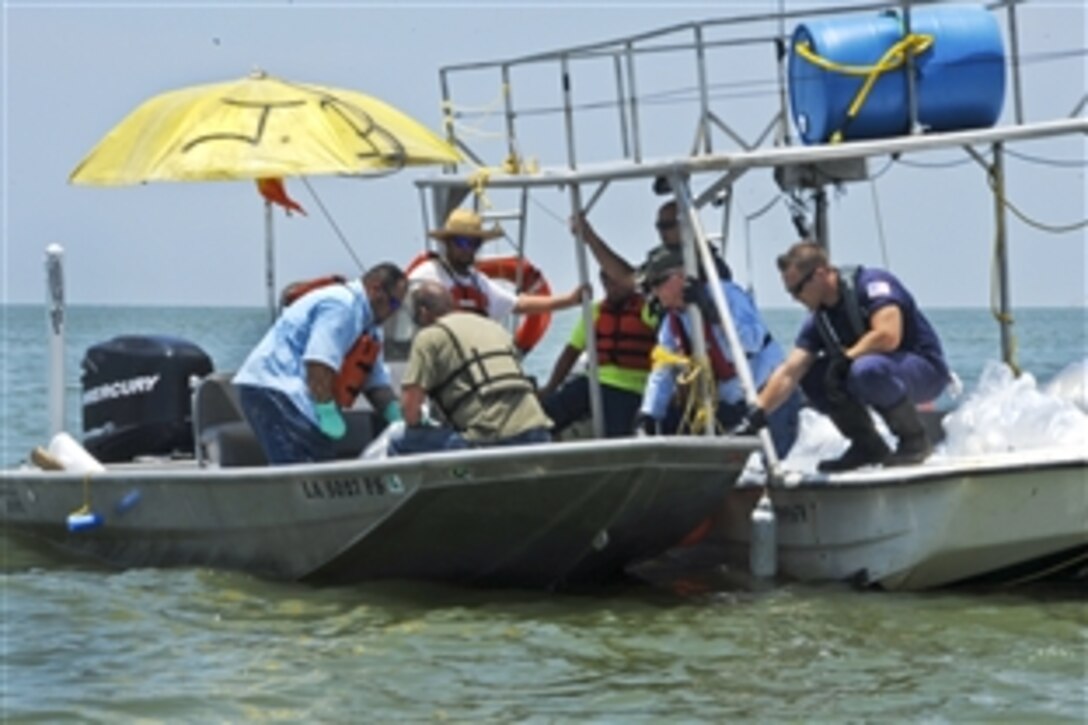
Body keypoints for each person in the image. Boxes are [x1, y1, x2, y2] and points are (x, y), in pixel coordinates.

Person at [736, 241, 951, 471]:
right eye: (790, 292)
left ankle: (915, 442)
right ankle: (867, 445)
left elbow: (889, 335)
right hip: (877, 373)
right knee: (814, 375)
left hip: (924, 371)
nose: (794, 298)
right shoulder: (819, 319)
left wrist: (846, 359)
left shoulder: (872, 284)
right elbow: (791, 371)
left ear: (820, 274)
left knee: (864, 369)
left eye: (797, 289)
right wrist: (757, 413)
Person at [635, 246, 801, 459]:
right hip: (730, 406)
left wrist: (714, 314)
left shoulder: (726, 295)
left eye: (657, 283)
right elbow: (663, 370)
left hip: (769, 398)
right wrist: (648, 414)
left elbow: (752, 341)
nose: (655, 293)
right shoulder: (672, 323)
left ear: (680, 278)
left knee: (771, 464)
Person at [233, 263, 407, 464]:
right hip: (274, 388)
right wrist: (326, 409)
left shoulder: (371, 327)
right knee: (301, 465)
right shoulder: (342, 305)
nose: (393, 313)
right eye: (393, 304)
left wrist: (399, 417)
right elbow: (319, 361)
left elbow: (375, 381)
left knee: (320, 455)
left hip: (303, 397)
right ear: (376, 289)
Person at [388, 281, 553, 455]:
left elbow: (410, 408)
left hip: (488, 442)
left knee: (399, 440)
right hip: (540, 433)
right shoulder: (494, 328)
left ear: (422, 313)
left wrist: (417, 425)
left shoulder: (429, 336)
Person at [539, 268, 658, 438]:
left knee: (617, 434)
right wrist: (550, 387)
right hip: (593, 382)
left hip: (631, 388)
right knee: (546, 414)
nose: (611, 286)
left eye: (616, 281)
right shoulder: (595, 312)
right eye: (606, 281)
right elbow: (571, 352)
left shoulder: (646, 310)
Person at [409, 207, 584, 322]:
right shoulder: (426, 276)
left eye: (474, 243)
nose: (468, 249)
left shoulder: (479, 281)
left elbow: (518, 304)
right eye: (462, 242)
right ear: (447, 242)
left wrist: (570, 300)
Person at [571, 200, 733, 289]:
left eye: (667, 226)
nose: (662, 232)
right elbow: (628, 278)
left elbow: (628, 279)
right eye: (659, 226)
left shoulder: (709, 263)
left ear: (687, 225)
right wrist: (590, 237)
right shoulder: (663, 259)